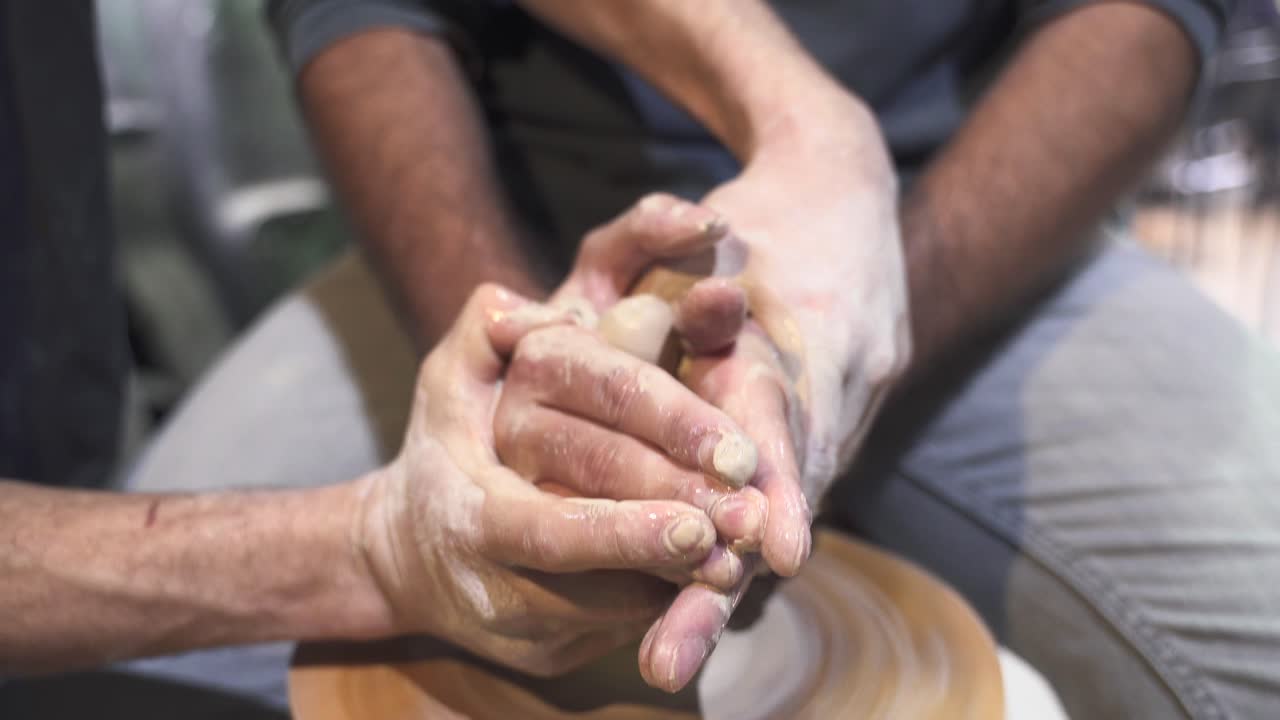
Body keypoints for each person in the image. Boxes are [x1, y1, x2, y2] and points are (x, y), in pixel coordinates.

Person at [115, 0, 1280, 717]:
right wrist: (516, 355)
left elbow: (1147, 15)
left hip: (961, 212)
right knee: (119, 696)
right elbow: (356, 12)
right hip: (507, 218)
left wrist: (859, 316)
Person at [0, 2, 770, 711]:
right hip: (504, 206)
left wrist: (832, 227)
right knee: (120, 688)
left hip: (813, 229)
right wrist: (372, 547)